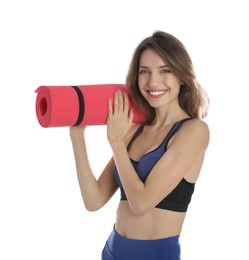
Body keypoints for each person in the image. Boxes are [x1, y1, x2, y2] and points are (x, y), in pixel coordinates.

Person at [69, 31, 210, 260]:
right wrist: (77, 136)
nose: (153, 82)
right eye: (144, 72)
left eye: (165, 70)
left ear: (182, 76)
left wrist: (116, 142)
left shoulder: (194, 131)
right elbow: (93, 200)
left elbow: (141, 203)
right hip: (111, 251)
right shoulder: (135, 131)